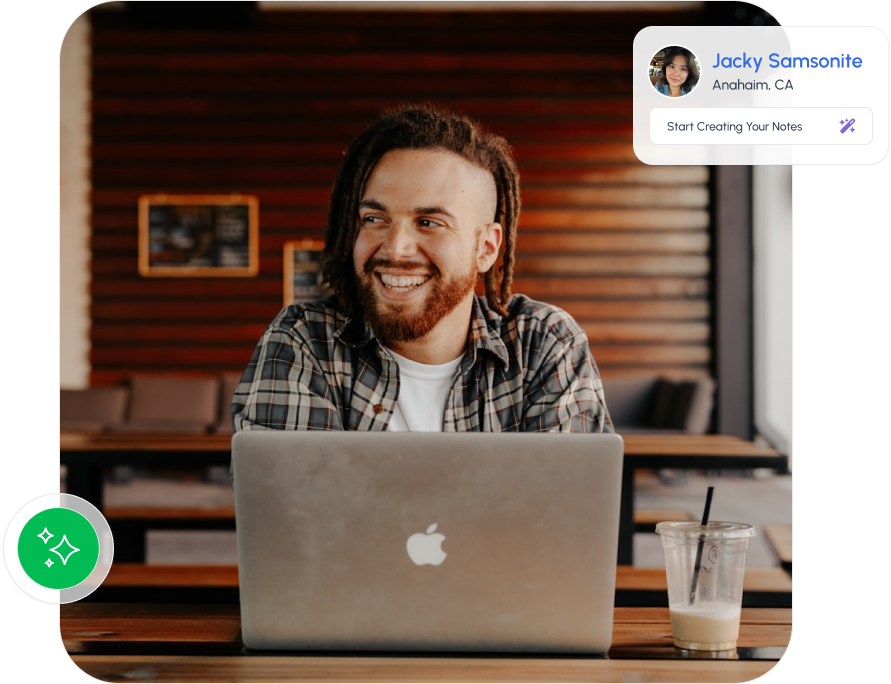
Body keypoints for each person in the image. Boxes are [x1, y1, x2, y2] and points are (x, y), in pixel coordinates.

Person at [231, 104, 612, 443]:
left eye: (429, 222)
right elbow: (295, 515)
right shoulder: (303, 342)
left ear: (486, 248)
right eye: (374, 219)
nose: (395, 248)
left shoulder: (543, 345)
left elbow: (564, 518)